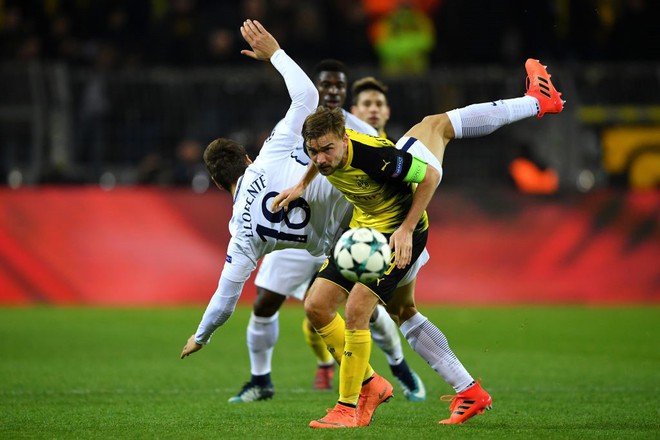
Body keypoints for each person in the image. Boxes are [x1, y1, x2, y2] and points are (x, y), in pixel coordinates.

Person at [272, 58, 564, 428]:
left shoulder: (374, 156)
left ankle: (348, 407)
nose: (320, 159)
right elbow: (320, 154)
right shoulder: (326, 151)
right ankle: (466, 391)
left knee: (358, 310)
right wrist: (301, 182)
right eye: (314, 151)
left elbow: (429, 177)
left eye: (327, 150)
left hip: (399, 229)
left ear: (345, 139)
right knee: (323, 306)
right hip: (365, 230)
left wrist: (407, 229)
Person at [179, 19, 429, 408]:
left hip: (345, 231)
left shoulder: (241, 233)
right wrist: (275, 53)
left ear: (215, 183)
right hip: (359, 211)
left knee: (352, 307)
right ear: (246, 158)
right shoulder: (269, 154)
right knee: (340, 305)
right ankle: (363, 379)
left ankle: (381, 377)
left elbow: (225, 297)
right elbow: (305, 95)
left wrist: (202, 335)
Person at [233, 60, 427, 403]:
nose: (333, 91)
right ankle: (260, 380)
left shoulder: (358, 131)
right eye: (326, 85)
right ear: (316, 87)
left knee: (366, 308)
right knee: (265, 302)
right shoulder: (298, 122)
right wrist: (298, 187)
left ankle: (398, 368)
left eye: (339, 86)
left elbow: (382, 178)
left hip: (343, 234)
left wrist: (399, 226)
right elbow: (307, 160)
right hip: (296, 230)